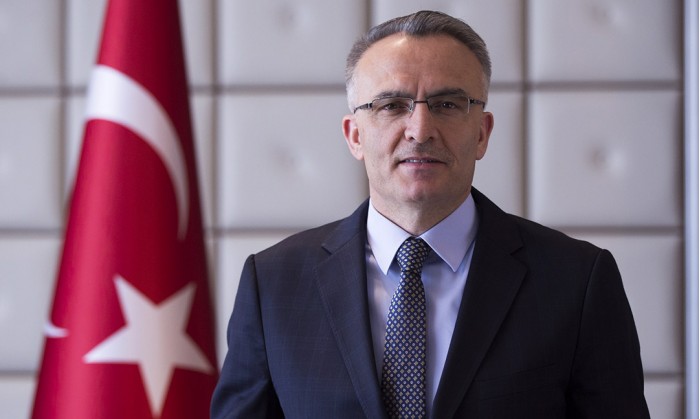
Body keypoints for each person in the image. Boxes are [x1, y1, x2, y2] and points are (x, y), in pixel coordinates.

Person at [211, 10, 650, 419]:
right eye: (391, 105)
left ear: (482, 133)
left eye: (447, 104)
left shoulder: (577, 281)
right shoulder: (272, 284)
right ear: (355, 135)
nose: (420, 130)